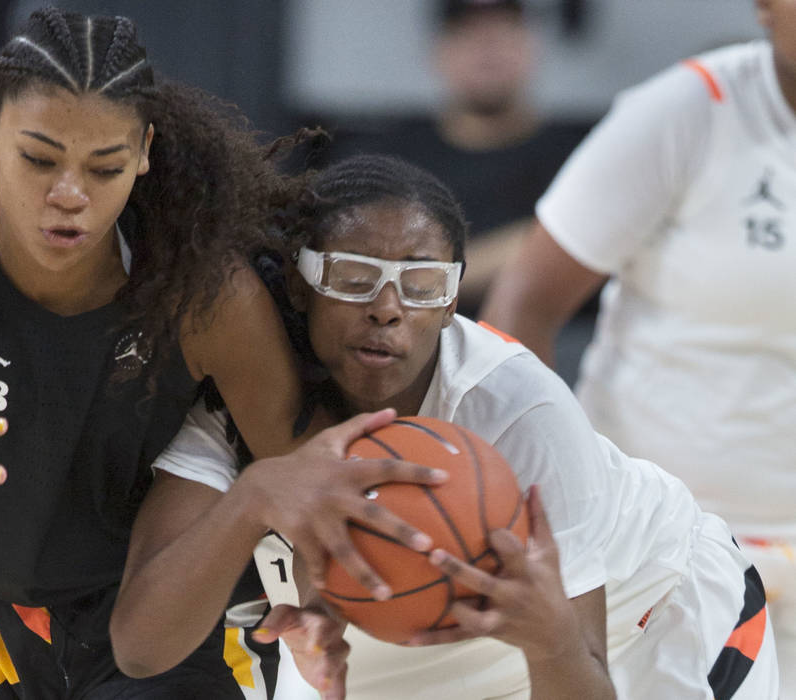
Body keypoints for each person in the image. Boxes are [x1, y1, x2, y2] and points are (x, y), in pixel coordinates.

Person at [0, 9, 439, 699]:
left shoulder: (204, 291)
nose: (70, 195)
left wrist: (319, 597)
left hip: (155, 617)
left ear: (145, 152)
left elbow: (304, 471)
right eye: (40, 158)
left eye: (105, 168)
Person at [110, 154, 779, 699]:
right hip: (401, 663)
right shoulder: (239, 402)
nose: (388, 309)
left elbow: (584, 674)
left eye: (423, 285)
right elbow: (141, 648)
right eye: (354, 277)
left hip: (650, 619)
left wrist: (548, 639)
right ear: (296, 283)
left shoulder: (518, 409)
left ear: (454, 299)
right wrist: (256, 494)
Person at [479, 1, 796, 693]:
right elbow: (522, 307)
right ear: (765, 9)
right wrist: (556, 514)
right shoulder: (691, 106)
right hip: (670, 550)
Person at [317, 0, 591, 318]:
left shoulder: (581, 158)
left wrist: (430, 276)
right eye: (467, 30)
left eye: (505, 26)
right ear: (438, 50)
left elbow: (590, 236)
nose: (488, 45)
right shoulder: (384, 158)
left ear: (533, 42)